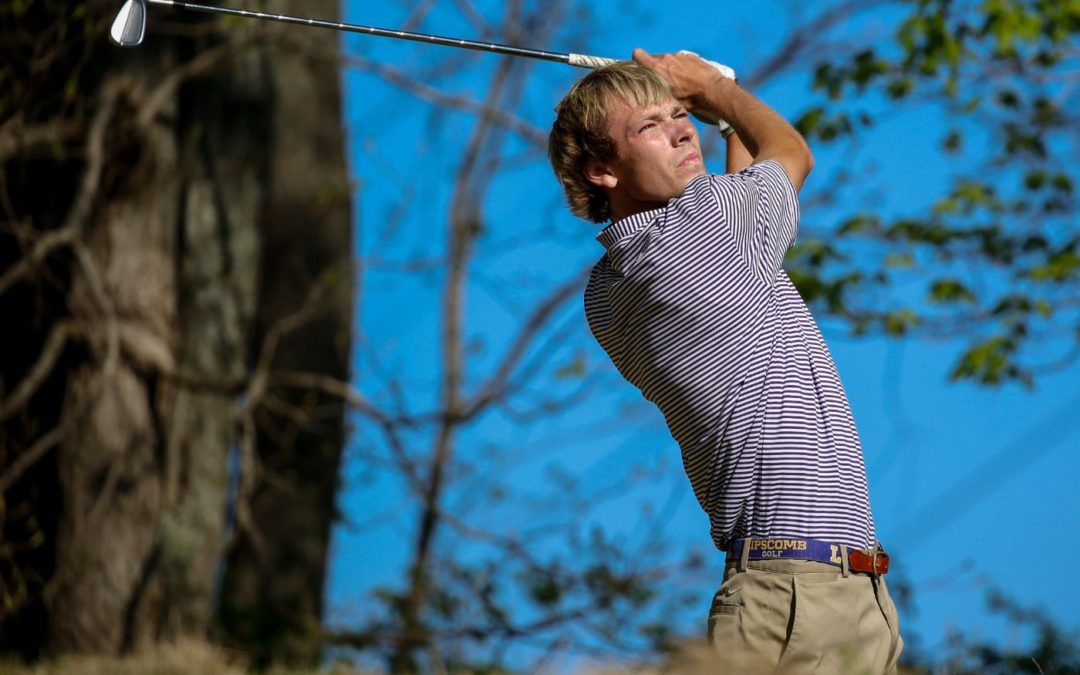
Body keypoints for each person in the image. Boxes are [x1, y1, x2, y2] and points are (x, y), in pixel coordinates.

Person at [548, 50, 903, 673]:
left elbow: (744, 220)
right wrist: (714, 91)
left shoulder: (609, 289)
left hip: (829, 591)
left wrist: (721, 120)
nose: (681, 129)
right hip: (797, 597)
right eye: (649, 126)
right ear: (602, 169)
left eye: (680, 114)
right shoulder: (706, 229)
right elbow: (791, 152)